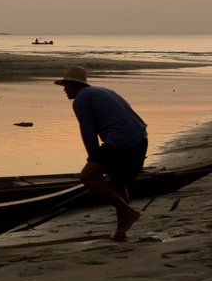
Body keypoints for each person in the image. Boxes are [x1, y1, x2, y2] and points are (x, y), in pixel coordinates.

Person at [55, 66, 148, 241]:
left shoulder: (81, 99)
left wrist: (94, 160)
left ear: (76, 85)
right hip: (140, 138)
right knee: (118, 182)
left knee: (88, 176)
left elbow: (88, 133)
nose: (64, 90)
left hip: (122, 140)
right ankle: (122, 231)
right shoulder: (101, 91)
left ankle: (127, 212)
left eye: (67, 85)